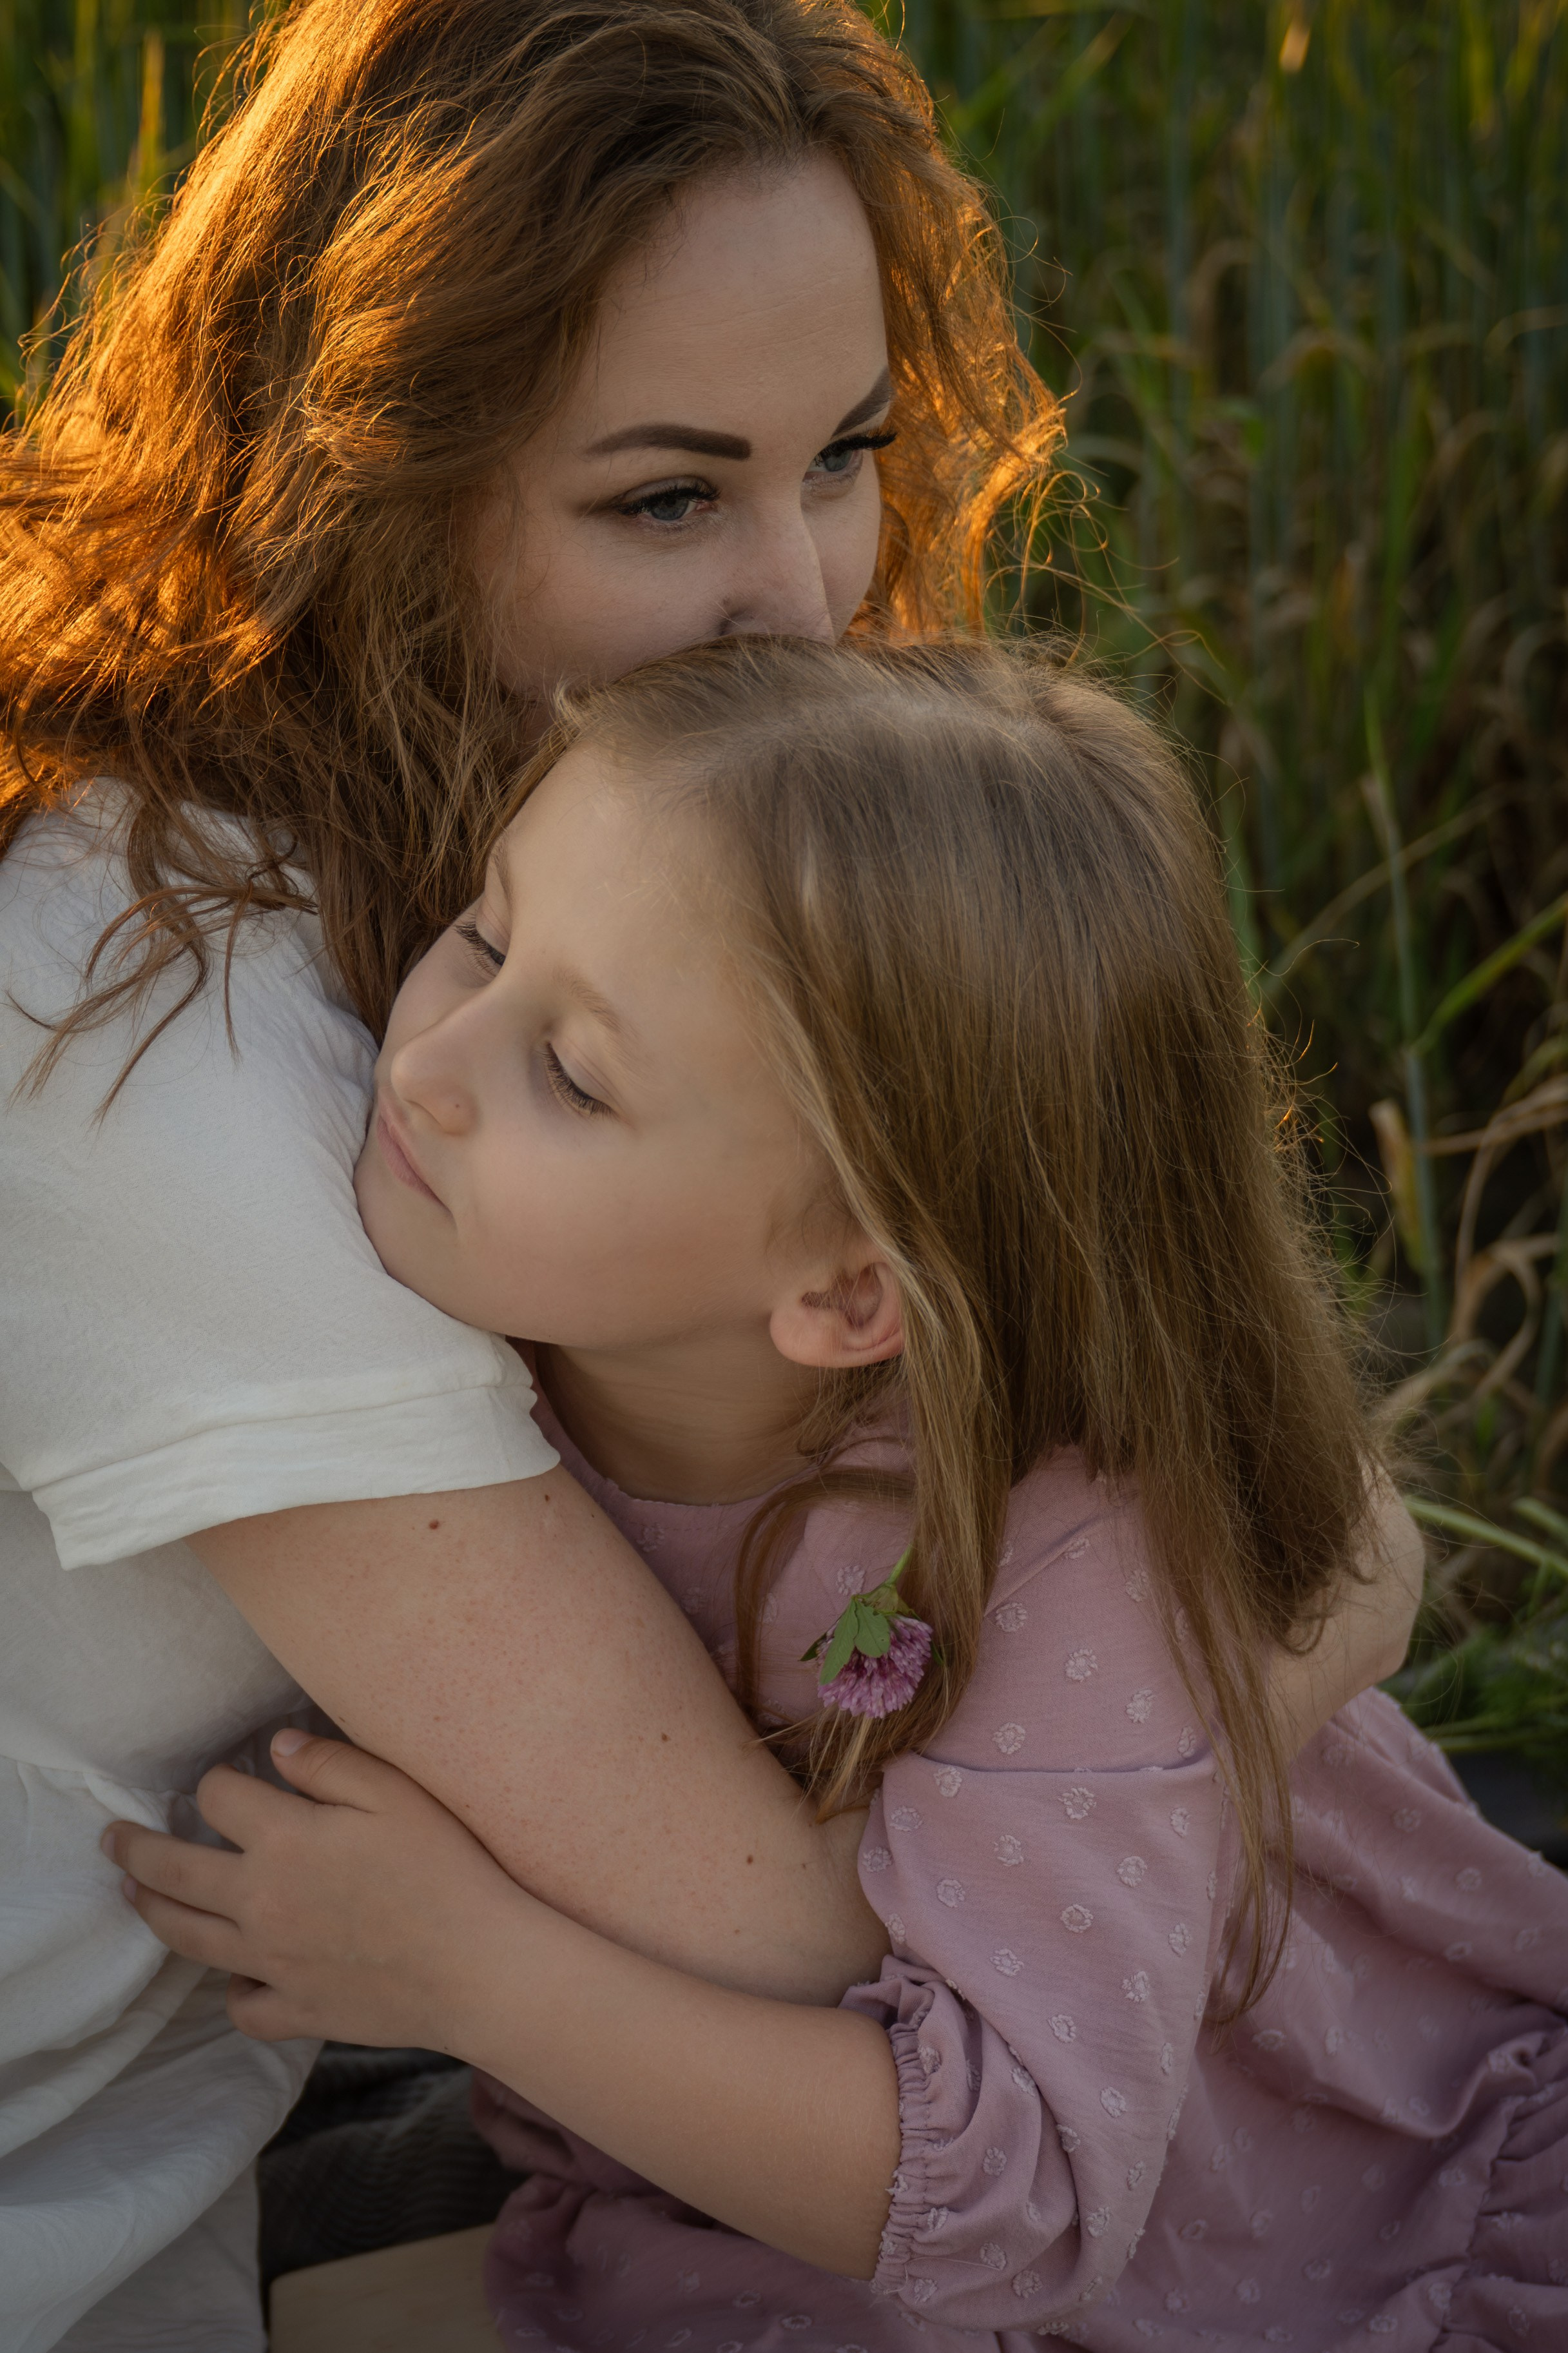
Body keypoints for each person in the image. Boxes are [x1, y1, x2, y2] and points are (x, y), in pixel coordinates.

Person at [0, 0, 1415, 2343]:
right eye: (666, 497)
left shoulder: (540, 823)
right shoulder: (142, 1027)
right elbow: (813, 1941)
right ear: (355, 465)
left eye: (844, 453)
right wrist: (1241, 1650)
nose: (809, 589)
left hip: (317, 2090)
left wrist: (1234, 1614)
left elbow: (1276, 1513)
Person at [108, 636, 1562, 2352]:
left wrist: (465, 1970)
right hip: (727, 2192)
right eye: (487, 935)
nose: (423, 1061)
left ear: (848, 1295)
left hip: (1291, 2237)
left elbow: (1019, 2203)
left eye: (571, 1072)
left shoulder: (1056, 1552)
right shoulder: (486, 1329)